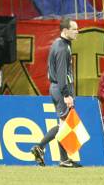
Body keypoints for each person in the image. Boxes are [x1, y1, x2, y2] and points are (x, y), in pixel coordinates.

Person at [31, 17, 81, 168]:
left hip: (58, 88)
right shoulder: (62, 48)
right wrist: (66, 94)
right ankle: (41, 147)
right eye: (74, 29)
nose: (77, 32)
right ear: (65, 30)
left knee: (64, 124)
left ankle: (63, 159)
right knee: (64, 125)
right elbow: (61, 74)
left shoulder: (60, 44)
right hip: (61, 89)